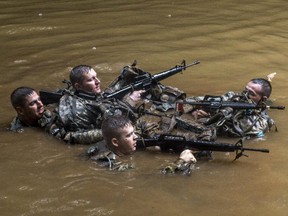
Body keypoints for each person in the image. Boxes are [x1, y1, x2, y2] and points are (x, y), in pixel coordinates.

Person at [50, 64, 144, 144]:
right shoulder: (78, 110)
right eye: (91, 80)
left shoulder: (81, 93)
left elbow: (104, 97)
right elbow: (112, 125)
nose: (98, 81)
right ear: (78, 86)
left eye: (96, 77)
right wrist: (130, 100)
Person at [87, 115, 197, 174]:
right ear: (115, 142)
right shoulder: (112, 164)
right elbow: (153, 177)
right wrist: (181, 161)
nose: (136, 137)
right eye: (129, 135)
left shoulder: (109, 144)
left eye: (134, 132)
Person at [180, 78, 275, 138]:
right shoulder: (231, 97)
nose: (245, 95)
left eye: (251, 94)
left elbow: (230, 133)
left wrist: (208, 117)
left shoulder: (259, 123)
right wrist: (193, 111)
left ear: (263, 99)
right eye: (245, 90)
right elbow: (189, 101)